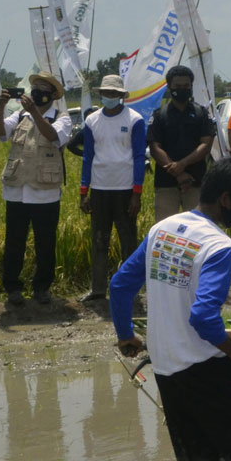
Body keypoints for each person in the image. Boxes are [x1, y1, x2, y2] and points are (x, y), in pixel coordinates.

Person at [109, 158, 231, 461]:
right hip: (204, 365)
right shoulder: (218, 245)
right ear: (226, 199)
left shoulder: (162, 228)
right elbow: (203, 317)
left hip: (165, 367)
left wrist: (125, 335)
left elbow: (119, 286)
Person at [0, 72, 73, 305]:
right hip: (17, 190)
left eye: (42, 89)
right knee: (14, 241)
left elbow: (52, 136)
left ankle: (42, 288)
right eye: (34, 88)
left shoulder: (62, 118)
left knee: (45, 242)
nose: (36, 92)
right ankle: (13, 288)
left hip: (45, 192)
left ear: (53, 95)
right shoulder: (20, 115)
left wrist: (35, 113)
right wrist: (1, 106)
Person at [78, 75, 146, 302]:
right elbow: (87, 157)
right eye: (106, 93)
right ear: (101, 94)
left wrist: (137, 193)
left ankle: (130, 289)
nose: (110, 96)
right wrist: (83, 192)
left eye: (114, 93)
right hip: (99, 188)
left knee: (128, 241)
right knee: (99, 240)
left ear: (121, 96)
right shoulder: (92, 121)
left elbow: (139, 157)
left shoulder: (135, 119)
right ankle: (98, 289)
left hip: (125, 189)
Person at [148, 65, 216, 221]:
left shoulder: (201, 113)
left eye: (186, 86)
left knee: (197, 227)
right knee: (165, 229)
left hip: (195, 183)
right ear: (169, 87)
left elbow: (206, 144)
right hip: (166, 185)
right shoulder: (159, 115)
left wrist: (182, 164)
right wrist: (179, 173)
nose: (182, 89)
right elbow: (155, 148)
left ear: (191, 86)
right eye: (177, 86)